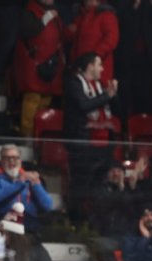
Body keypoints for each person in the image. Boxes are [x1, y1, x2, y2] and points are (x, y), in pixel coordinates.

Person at [63, 51, 119, 218]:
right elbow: (83, 105)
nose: (102, 69)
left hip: (103, 146)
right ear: (89, 66)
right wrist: (106, 96)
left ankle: (94, 221)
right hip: (82, 144)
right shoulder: (73, 82)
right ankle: (75, 220)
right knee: (80, 185)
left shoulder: (100, 86)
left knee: (98, 185)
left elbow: (115, 109)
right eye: (99, 64)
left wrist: (113, 94)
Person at [14, 0, 65, 138]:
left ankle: (39, 134)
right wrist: (44, 20)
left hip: (50, 65)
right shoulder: (30, 11)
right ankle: (27, 135)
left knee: (46, 100)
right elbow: (27, 31)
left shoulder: (54, 12)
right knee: (32, 99)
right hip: (34, 65)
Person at [0, 144, 54, 233]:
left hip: (28, 229)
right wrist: (20, 183)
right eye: (7, 158)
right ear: (1, 161)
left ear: (20, 160)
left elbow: (47, 205)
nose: (12, 161)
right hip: (2, 226)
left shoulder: (29, 177)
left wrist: (36, 184)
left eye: (15, 158)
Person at [66, 0, 118, 86]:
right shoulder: (81, 17)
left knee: (98, 96)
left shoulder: (106, 15)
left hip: (98, 70)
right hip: (80, 69)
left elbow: (111, 39)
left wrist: (94, 56)